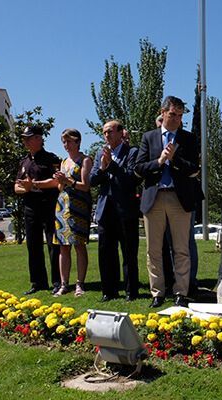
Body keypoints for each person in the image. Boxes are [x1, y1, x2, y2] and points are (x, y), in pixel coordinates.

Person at [135, 96, 200, 308]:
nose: (176, 119)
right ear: (162, 113)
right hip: (154, 199)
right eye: (173, 114)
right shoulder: (149, 137)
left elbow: (194, 168)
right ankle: (157, 293)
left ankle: (181, 292)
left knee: (181, 249)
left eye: (180, 116)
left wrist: (174, 159)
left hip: (179, 198)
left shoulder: (188, 138)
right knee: (153, 250)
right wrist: (160, 161)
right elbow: (139, 168)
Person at [90, 120, 141, 302]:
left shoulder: (132, 152)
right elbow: (92, 180)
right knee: (106, 252)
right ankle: (109, 291)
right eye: (104, 132)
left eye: (110, 131)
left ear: (120, 133)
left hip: (125, 210)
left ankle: (131, 291)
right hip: (105, 210)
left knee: (128, 252)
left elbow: (131, 179)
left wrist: (111, 165)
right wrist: (102, 168)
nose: (107, 135)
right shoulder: (100, 153)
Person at [14, 125, 61, 295]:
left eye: (29, 137)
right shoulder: (24, 162)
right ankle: (38, 283)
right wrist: (26, 188)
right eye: (24, 138)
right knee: (33, 246)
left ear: (39, 139)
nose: (25, 141)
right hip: (30, 208)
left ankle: (58, 282)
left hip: (48, 206)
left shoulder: (51, 159)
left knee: (53, 244)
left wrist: (32, 185)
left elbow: (56, 182)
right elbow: (16, 187)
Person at [52, 128, 93, 297]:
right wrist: (60, 181)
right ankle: (64, 284)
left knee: (79, 245)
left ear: (77, 142)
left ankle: (79, 284)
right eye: (64, 141)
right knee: (63, 246)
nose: (66, 145)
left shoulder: (85, 160)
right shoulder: (63, 162)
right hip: (62, 206)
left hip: (79, 207)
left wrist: (67, 180)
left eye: (69, 141)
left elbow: (86, 186)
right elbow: (60, 187)